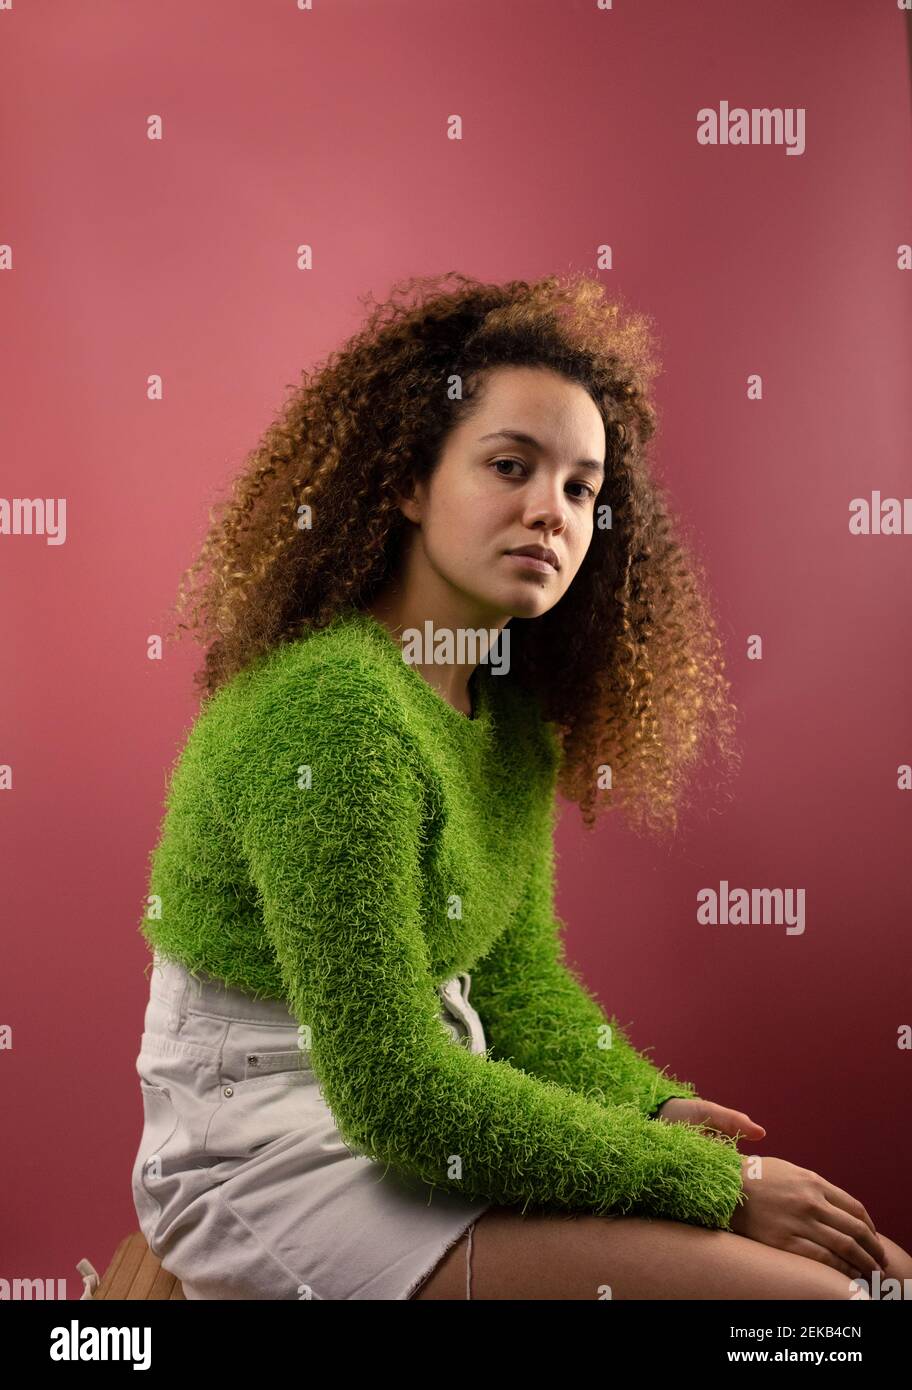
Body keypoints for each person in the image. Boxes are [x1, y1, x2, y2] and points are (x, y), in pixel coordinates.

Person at [131, 271, 911, 1300]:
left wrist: (652, 1112)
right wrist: (712, 1183)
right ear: (409, 482)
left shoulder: (500, 718)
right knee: (827, 1308)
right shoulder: (333, 709)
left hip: (431, 1098)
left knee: (887, 1280)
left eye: (584, 489)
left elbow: (515, 988)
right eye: (511, 465)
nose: (553, 512)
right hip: (278, 1149)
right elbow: (399, 1093)